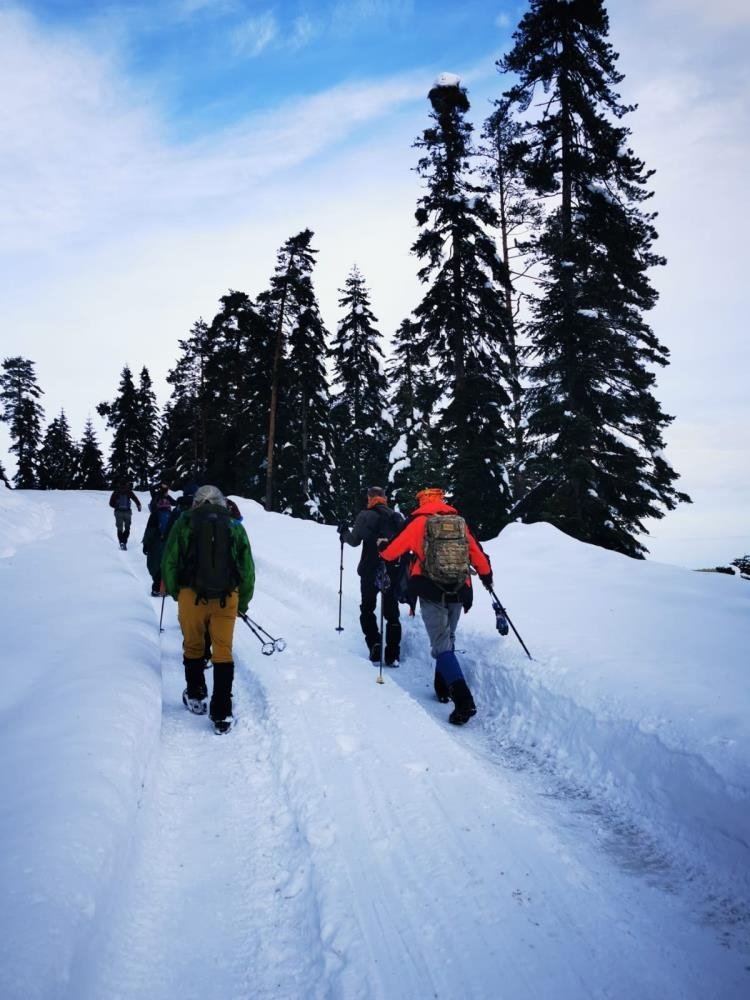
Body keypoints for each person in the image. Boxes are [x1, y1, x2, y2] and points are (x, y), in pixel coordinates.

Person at [378, 487, 493, 725]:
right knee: (447, 639)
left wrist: (381, 548)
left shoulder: (418, 523)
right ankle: (443, 689)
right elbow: (477, 555)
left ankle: (463, 701)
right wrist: (487, 576)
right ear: (442, 500)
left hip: (431, 591)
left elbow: (392, 552)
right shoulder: (459, 522)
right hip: (459, 590)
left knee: (441, 646)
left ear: (421, 501)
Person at [161, 484, 255, 735]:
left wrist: (176, 592)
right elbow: (247, 569)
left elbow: (170, 559)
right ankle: (222, 712)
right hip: (227, 597)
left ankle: (196, 695)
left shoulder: (185, 522)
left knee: (193, 645)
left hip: (191, 596)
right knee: (223, 651)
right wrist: (241, 603)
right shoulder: (234, 525)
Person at [339, 486, 405, 664]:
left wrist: (343, 532)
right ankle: (393, 654)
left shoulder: (364, 516)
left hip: (369, 569)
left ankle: (374, 644)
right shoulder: (396, 517)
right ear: (384, 498)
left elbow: (353, 541)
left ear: (370, 498)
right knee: (392, 614)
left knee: (367, 608)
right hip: (391, 569)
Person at [141, 495, 175, 596]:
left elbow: (149, 531)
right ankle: (164, 587)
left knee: (154, 566)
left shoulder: (155, 515)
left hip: (156, 545)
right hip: (168, 544)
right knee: (165, 566)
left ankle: (157, 589)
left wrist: (146, 545)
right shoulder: (172, 516)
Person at [108, 481, 142, 550]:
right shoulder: (128, 491)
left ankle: (121, 542)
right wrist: (138, 506)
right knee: (127, 528)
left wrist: (116, 506)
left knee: (119, 528)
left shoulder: (116, 491)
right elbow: (135, 499)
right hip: (127, 512)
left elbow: (110, 503)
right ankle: (124, 541)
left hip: (118, 512)